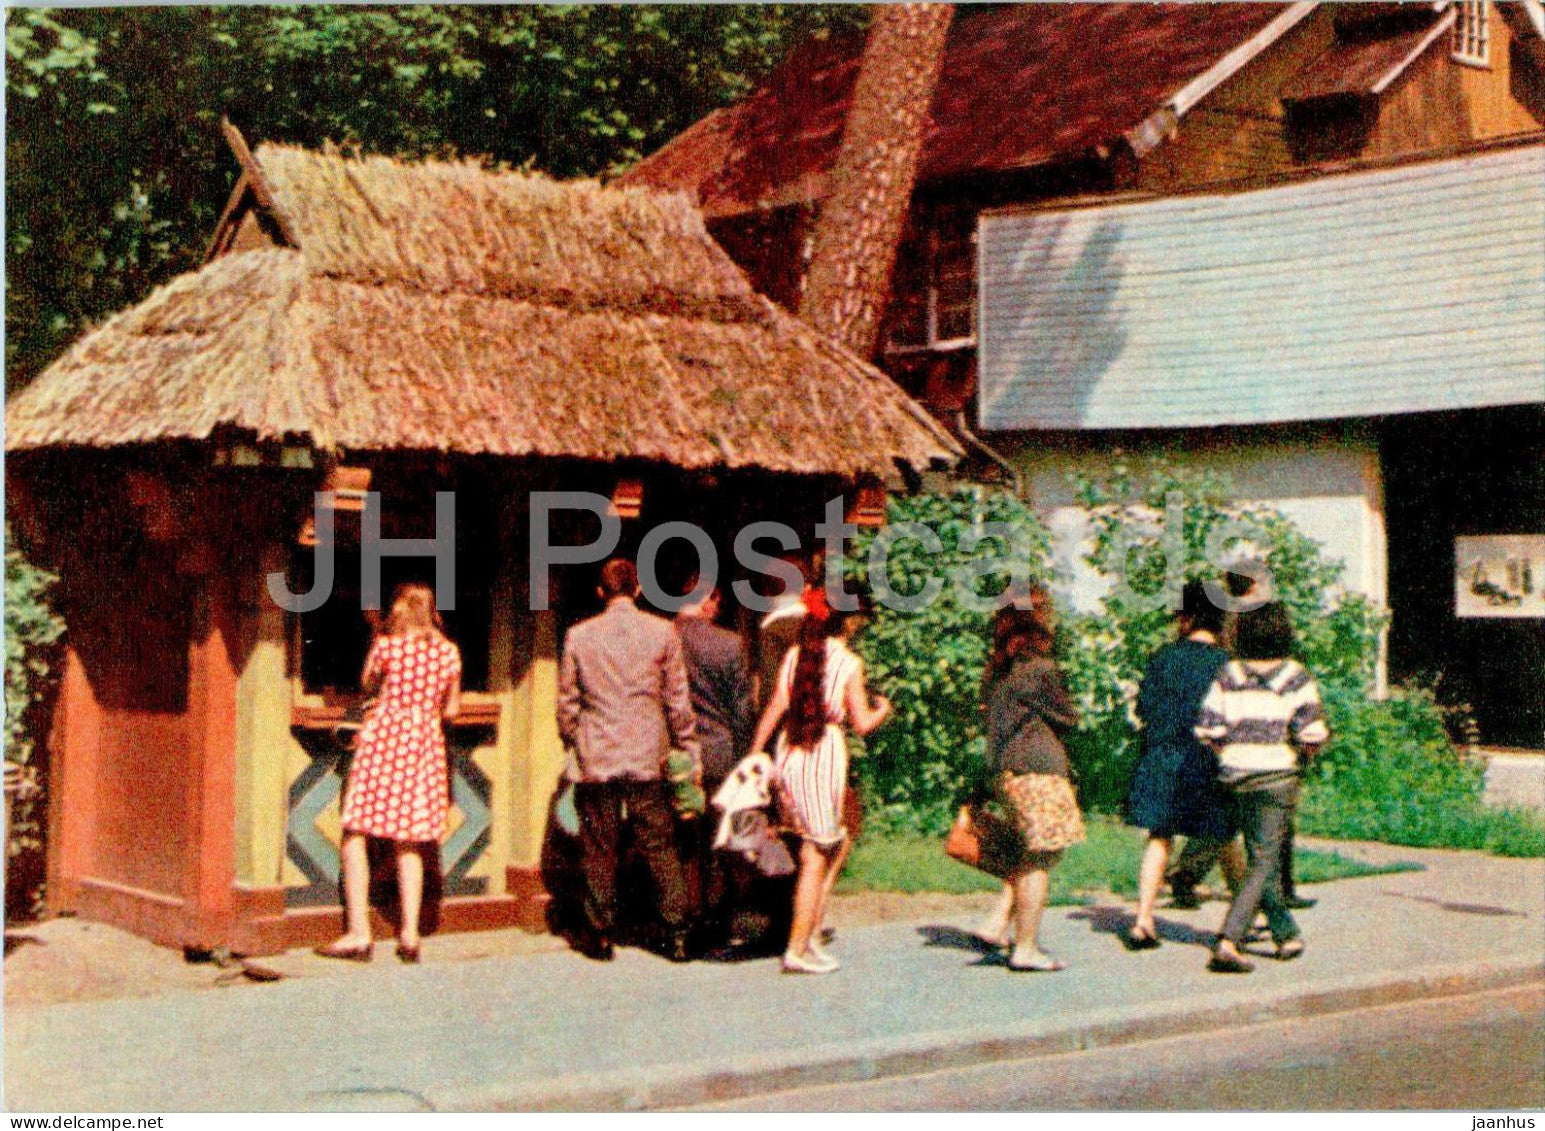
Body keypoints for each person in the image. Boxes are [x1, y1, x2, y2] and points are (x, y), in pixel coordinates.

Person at [557, 558, 700, 963]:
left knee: (599, 844)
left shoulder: (578, 636)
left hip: (597, 751)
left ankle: (600, 932)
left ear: (600, 592)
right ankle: (677, 932)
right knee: (658, 842)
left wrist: (574, 739)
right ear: (637, 590)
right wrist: (687, 747)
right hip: (646, 751)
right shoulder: (662, 632)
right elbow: (677, 700)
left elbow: (567, 702)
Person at [318, 583, 462, 964]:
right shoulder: (449, 653)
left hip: (384, 739)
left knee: (355, 831)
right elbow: (451, 711)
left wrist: (378, 636)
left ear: (400, 612)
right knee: (410, 841)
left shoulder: (387, 647)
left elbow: (367, 683)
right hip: (424, 744)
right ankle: (410, 934)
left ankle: (358, 933)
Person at [750, 589, 890, 974]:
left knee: (812, 849)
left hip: (789, 750)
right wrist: (883, 710)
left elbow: (776, 706)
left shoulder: (796, 655)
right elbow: (861, 723)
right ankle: (797, 947)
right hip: (823, 753)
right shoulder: (848, 663)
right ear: (849, 624)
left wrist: (756, 751)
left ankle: (807, 937)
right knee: (817, 855)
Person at [1195, 602, 1329, 973]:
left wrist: (1233, 751)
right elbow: (1311, 731)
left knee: (1258, 859)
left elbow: (1208, 729)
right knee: (1264, 860)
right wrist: (1304, 755)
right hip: (1276, 777)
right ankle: (1229, 939)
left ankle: (1287, 934)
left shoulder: (1228, 673)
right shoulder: (1295, 675)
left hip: (1235, 775)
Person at [1121, 581, 1239, 950]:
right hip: (1206, 762)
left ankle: (1142, 919)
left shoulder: (1162, 658)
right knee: (1224, 839)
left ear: (1183, 617)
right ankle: (1247, 914)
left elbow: (1143, 710)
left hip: (1162, 758)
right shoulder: (1227, 665)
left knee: (1160, 838)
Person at [973, 603, 1085, 972]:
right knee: (1042, 855)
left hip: (1007, 771)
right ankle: (1026, 947)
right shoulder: (1042, 671)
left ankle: (997, 920)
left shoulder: (999, 676)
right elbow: (1069, 717)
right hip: (1038, 770)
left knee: (1039, 851)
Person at [674, 577, 755, 948]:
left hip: (676, 757)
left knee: (684, 842)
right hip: (720, 752)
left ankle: (686, 919)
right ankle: (719, 921)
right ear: (709, 599)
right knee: (719, 841)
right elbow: (740, 710)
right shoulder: (729, 645)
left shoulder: (665, 639)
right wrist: (745, 757)